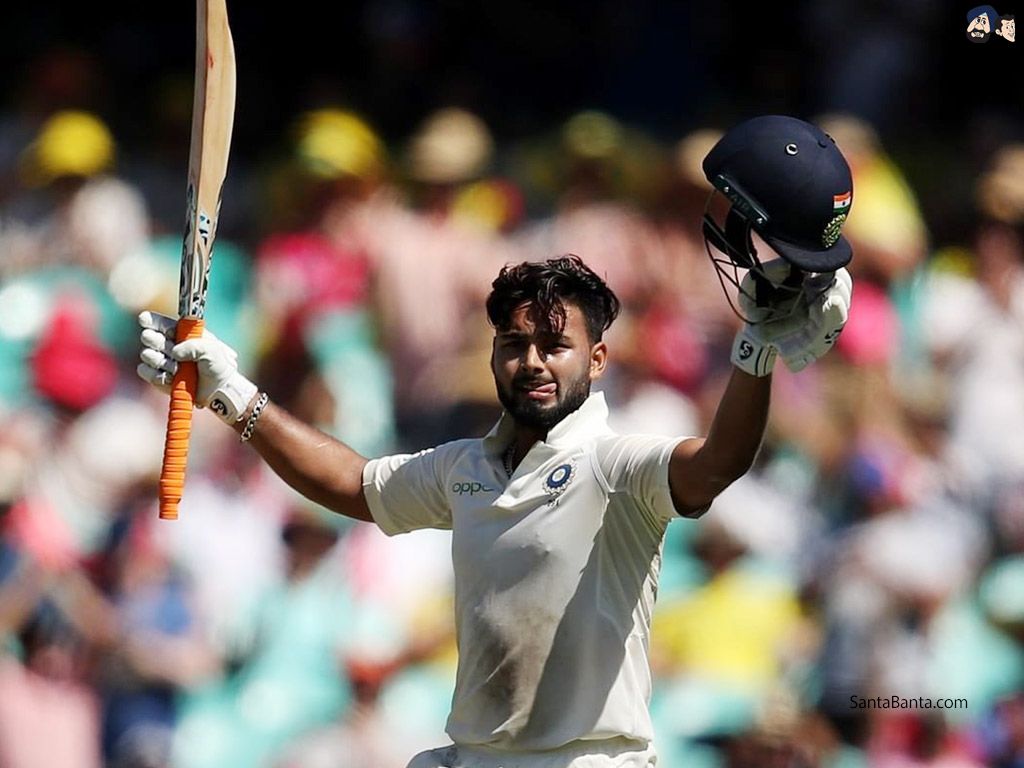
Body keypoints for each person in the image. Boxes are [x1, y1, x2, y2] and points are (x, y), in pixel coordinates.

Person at [136, 115, 854, 768]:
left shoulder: (615, 465)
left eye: (555, 346)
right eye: (515, 345)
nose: (533, 362)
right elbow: (351, 484)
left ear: (598, 360)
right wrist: (229, 392)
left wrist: (755, 351)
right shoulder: (464, 469)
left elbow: (719, 462)